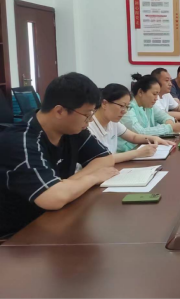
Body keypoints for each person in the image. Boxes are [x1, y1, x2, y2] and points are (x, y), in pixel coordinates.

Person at [0, 72, 119, 238]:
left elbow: (105, 159)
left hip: (54, 220)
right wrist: (92, 178)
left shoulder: (72, 129)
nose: (90, 120)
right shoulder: (21, 141)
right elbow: (53, 198)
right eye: (87, 114)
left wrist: (67, 184)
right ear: (59, 111)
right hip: (17, 238)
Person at [88, 84, 175, 163]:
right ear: (104, 104)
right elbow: (101, 160)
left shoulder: (112, 122)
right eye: (122, 106)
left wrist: (154, 138)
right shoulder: (89, 127)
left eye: (127, 107)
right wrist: (137, 153)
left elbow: (133, 137)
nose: (124, 111)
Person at [118, 74, 180, 152]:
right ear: (140, 92)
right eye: (154, 94)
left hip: (144, 147)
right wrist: (170, 128)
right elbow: (140, 132)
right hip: (128, 151)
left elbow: (165, 116)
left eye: (157, 94)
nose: (156, 98)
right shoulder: (128, 107)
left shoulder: (149, 105)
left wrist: (171, 124)